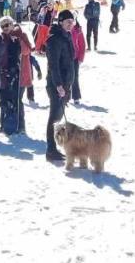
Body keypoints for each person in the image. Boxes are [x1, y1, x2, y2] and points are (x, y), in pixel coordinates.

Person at [45, 9, 77, 163]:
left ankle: (55, 148)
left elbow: (70, 61)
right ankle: (50, 149)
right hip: (56, 84)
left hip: (65, 84)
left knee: (58, 117)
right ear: (61, 22)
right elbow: (53, 66)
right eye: (67, 22)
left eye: (72, 22)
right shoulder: (54, 39)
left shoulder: (67, 36)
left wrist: (68, 84)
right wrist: (58, 85)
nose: (70, 24)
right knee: (54, 117)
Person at [0, 16, 32, 135]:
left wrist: (18, 40)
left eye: (7, 24)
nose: (5, 28)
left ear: (12, 24)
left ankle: (20, 126)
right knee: (4, 99)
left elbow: (26, 51)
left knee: (17, 100)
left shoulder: (21, 35)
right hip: (5, 73)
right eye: (3, 26)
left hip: (20, 73)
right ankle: (4, 124)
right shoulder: (2, 38)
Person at [70, 12, 87, 102]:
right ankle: (65, 96)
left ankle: (76, 97)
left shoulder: (78, 29)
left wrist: (81, 58)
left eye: (73, 19)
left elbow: (82, 45)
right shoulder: (64, 28)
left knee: (74, 77)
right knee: (64, 77)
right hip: (65, 57)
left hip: (75, 58)